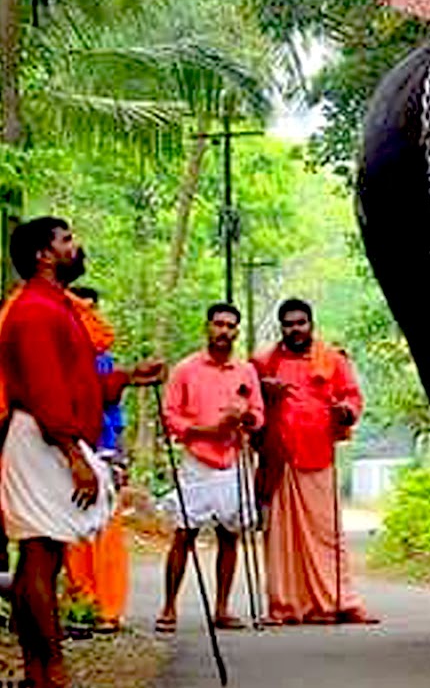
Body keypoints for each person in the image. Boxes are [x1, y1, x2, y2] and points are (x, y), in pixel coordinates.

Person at [0, 217, 163, 688]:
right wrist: (73, 455)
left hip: (53, 436)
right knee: (38, 554)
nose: (77, 246)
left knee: (42, 557)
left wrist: (130, 376)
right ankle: (51, 670)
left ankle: (39, 671)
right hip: (42, 439)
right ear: (43, 255)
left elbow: (77, 383)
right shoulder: (33, 310)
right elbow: (46, 390)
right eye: (67, 240)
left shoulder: (59, 307)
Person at [253, 298, 376, 626]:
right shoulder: (263, 362)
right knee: (281, 539)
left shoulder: (332, 359)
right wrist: (264, 391)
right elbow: (245, 400)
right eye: (289, 324)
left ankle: (336, 602)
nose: (295, 329)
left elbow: (352, 396)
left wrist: (345, 411)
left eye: (300, 323)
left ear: (311, 324)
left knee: (327, 534)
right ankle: (285, 607)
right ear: (282, 327)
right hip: (279, 458)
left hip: (318, 454)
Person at [156, 302, 265, 633]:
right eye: (219, 324)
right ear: (207, 327)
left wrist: (245, 418)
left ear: (237, 331)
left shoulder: (245, 371)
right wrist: (206, 431)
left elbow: (259, 415)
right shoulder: (186, 369)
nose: (224, 331)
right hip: (197, 459)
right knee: (184, 533)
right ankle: (169, 607)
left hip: (233, 458)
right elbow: (170, 415)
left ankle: (221, 609)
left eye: (231, 326)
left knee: (229, 534)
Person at [61, 285, 132, 634]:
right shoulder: (57, 355)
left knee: (107, 531)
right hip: (67, 449)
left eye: (91, 311)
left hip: (103, 450)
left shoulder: (104, 359)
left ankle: (109, 609)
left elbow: (115, 413)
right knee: (74, 531)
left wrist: (120, 456)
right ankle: (81, 605)